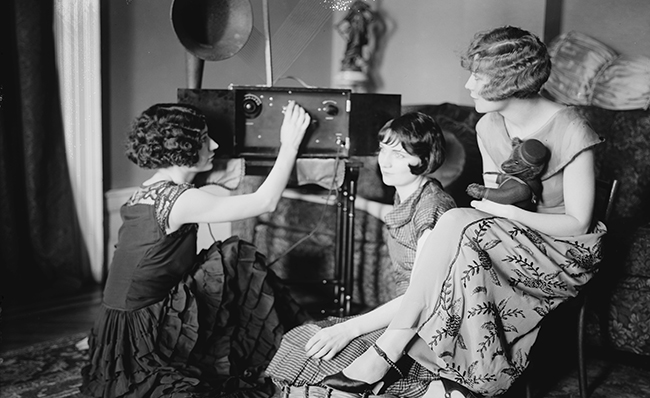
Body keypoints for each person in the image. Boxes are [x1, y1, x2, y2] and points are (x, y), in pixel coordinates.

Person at [320, 26, 607, 398]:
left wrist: (509, 216)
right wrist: (500, 208)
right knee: (461, 241)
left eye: (478, 75)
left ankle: (390, 353)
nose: (469, 85)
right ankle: (458, 385)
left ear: (510, 81)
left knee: (457, 223)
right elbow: (501, 201)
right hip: (512, 240)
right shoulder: (488, 125)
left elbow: (578, 223)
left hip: (565, 252)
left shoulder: (572, 127)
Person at [80, 101, 311, 398]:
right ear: (182, 150)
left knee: (230, 260)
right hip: (147, 332)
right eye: (204, 139)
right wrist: (289, 144)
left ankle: (282, 345)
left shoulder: (149, 188)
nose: (214, 143)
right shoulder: (181, 200)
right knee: (239, 256)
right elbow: (264, 202)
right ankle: (290, 347)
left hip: (117, 326)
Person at [265, 112, 457, 398]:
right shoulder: (411, 193)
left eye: (399, 154)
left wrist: (349, 330)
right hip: (401, 318)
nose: (385, 161)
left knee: (315, 363)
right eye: (383, 149)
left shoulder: (433, 209)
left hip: (423, 330)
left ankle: (432, 389)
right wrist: (334, 198)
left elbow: (420, 297)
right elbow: (393, 217)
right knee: (299, 342)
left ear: (423, 159)